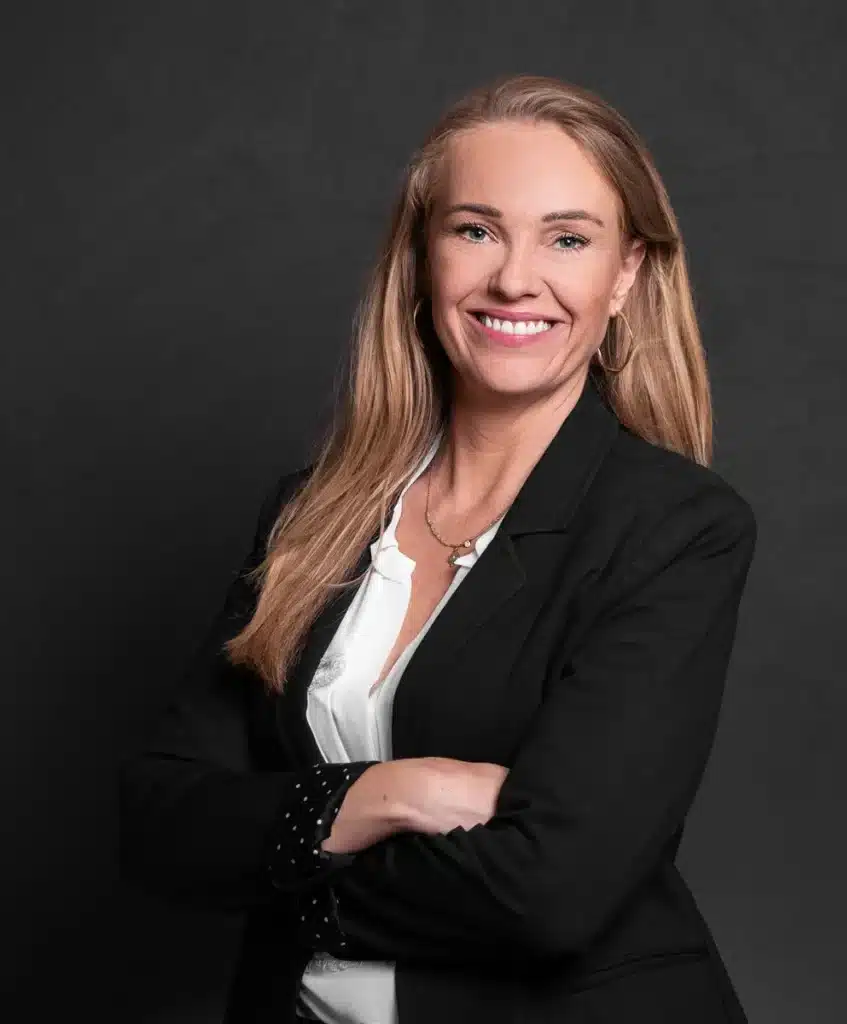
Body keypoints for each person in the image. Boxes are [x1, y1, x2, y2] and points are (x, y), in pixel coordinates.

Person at [118, 73, 758, 1024]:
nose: (514, 278)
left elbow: (550, 892)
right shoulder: (311, 517)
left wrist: (291, 855)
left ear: (625, 276)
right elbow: (161, 820)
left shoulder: (674, 529)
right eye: (476, 229)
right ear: (421, 258)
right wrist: (381, 794)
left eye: (569, 239)